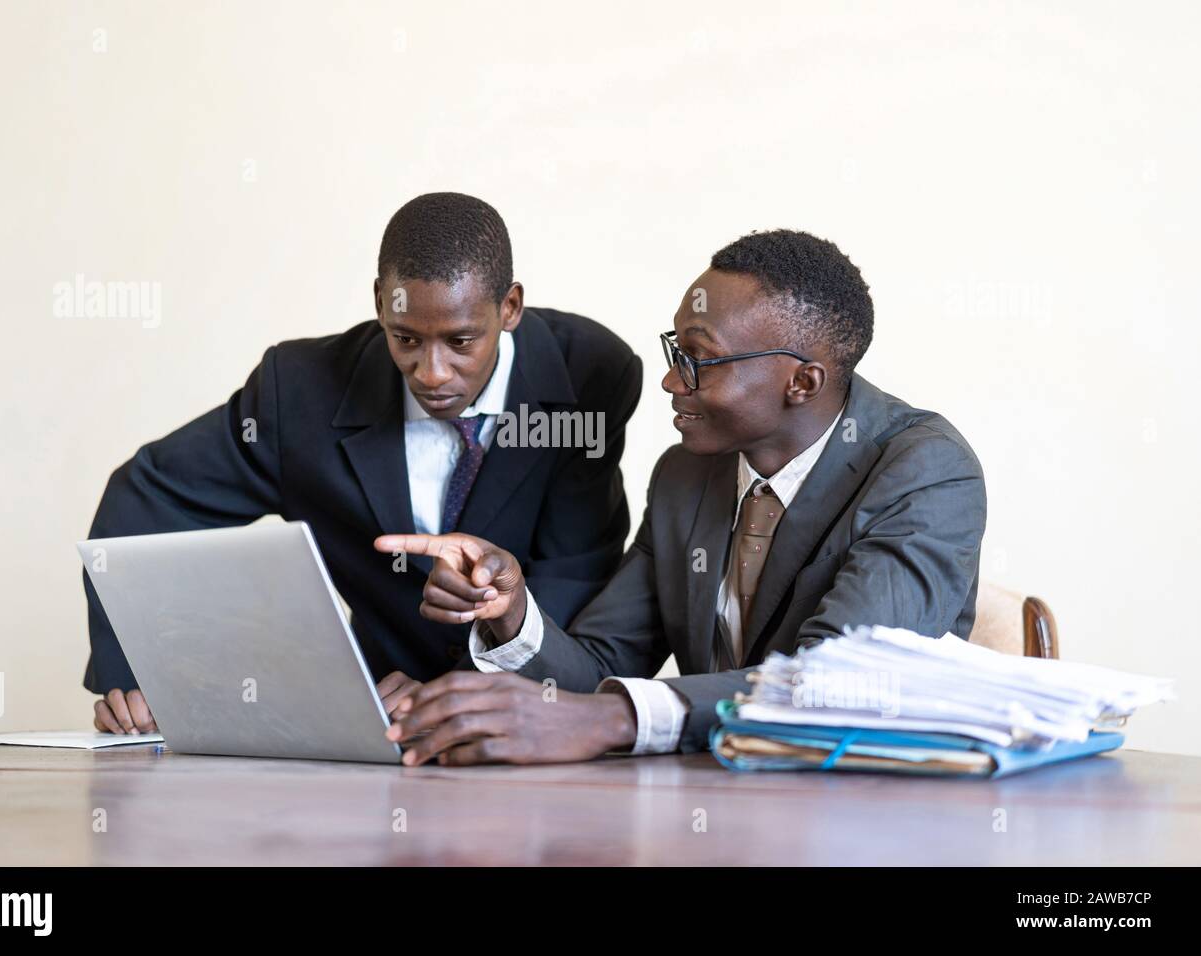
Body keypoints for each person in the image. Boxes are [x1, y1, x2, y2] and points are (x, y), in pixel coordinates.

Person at [375, 229, 986, 766]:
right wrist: (510, 612)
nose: (670, 380)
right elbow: (597, 667)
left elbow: (838, 685)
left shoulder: (925, 471)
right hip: (712, 811)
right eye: (676, 351)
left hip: (868, 825)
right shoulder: (685, 478)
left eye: (700, 360)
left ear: (802, 382)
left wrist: (615, 719)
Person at [84, 192, 642, 734]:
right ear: (381, 303)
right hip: (373, 728)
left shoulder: (589, 375)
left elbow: (574, 571)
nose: (432, 372)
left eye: (461, 341)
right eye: (406, 339)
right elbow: (148, 496)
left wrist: (461, 691)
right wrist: (137, 676)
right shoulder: (300, 392)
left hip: (525, 722)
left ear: (511, 307)